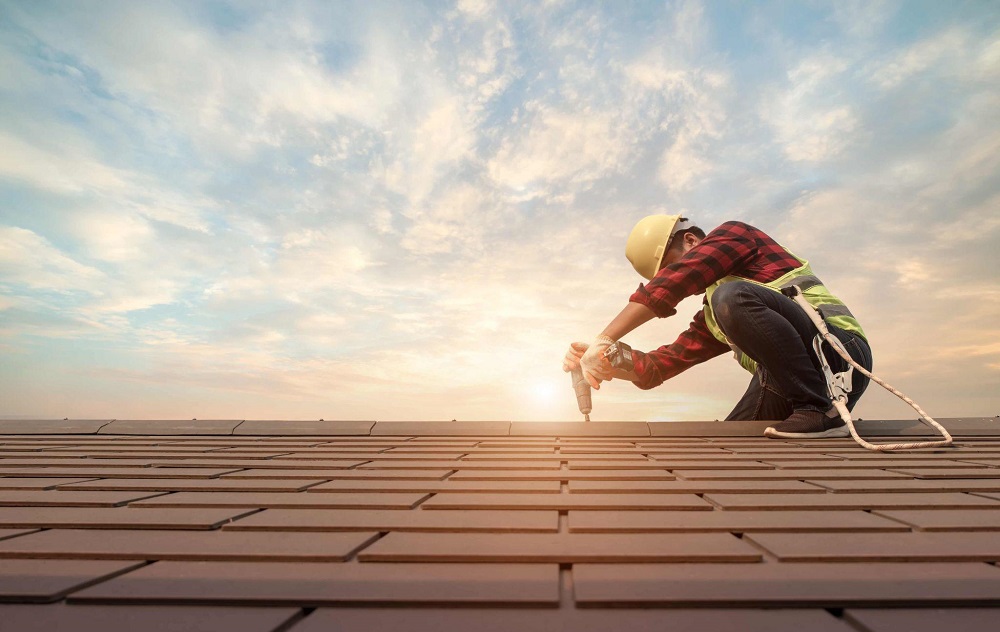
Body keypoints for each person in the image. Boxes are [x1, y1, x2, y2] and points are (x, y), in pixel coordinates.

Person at [562, 215, 873, 439]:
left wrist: (605, 337)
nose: (682, 277)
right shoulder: (718, 314)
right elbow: (659, 367)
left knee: (731, 296)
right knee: (732, 442)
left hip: (838, 353)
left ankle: (819, 411)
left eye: (673, 266)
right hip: (786, 382)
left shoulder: (736, 236)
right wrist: (609, 359)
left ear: (691, 240)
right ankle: (812, 415)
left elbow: (680, 279)